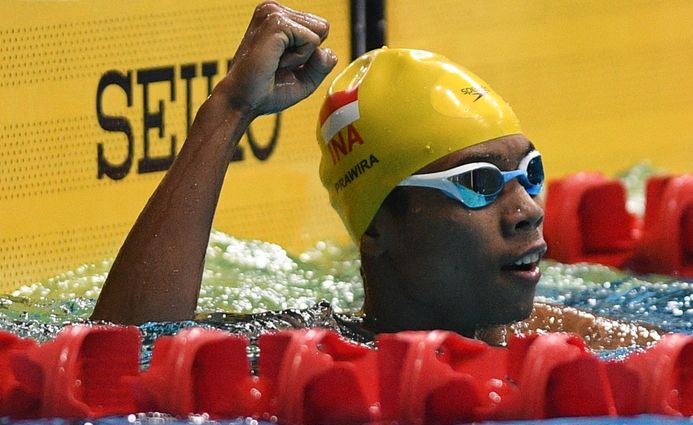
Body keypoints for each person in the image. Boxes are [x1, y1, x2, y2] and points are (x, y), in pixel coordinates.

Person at [91, 1, 660, 349]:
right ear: (377, 228)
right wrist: (227, 113)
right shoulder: (308, 354)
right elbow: (129, 351)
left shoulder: (577, 341)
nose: (528, 210)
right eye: (478, 183)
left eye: (529, 173)